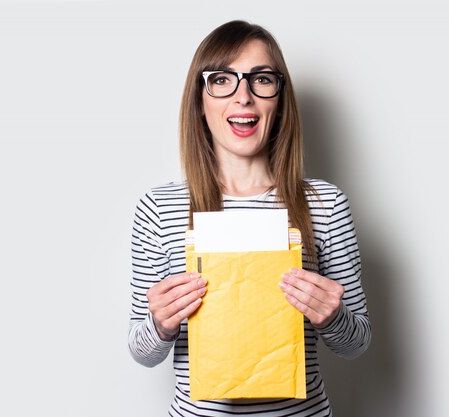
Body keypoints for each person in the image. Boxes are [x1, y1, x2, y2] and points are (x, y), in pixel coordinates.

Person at [128, 20, 371, 416]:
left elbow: (356, 343)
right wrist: (161, 324)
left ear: (279, 98)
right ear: (200, 100)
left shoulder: (324, 204)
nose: (244, 97)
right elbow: (142, 350)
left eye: (261, 79)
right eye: (222, 79)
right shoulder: (160, 208)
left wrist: (333, 317)